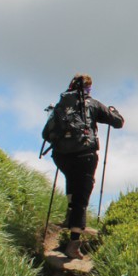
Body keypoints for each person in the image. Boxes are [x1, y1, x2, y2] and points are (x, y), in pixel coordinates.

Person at [42, 73, 125, 259]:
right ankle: (74, 243)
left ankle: (68, 219)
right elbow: (117, 122)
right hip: (85, 156)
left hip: (61, 155)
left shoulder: (63, 104)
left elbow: (47, 133)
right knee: (82, 198)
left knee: (71, 181)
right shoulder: (93, 104)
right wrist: (114, 111)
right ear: (89, 87)